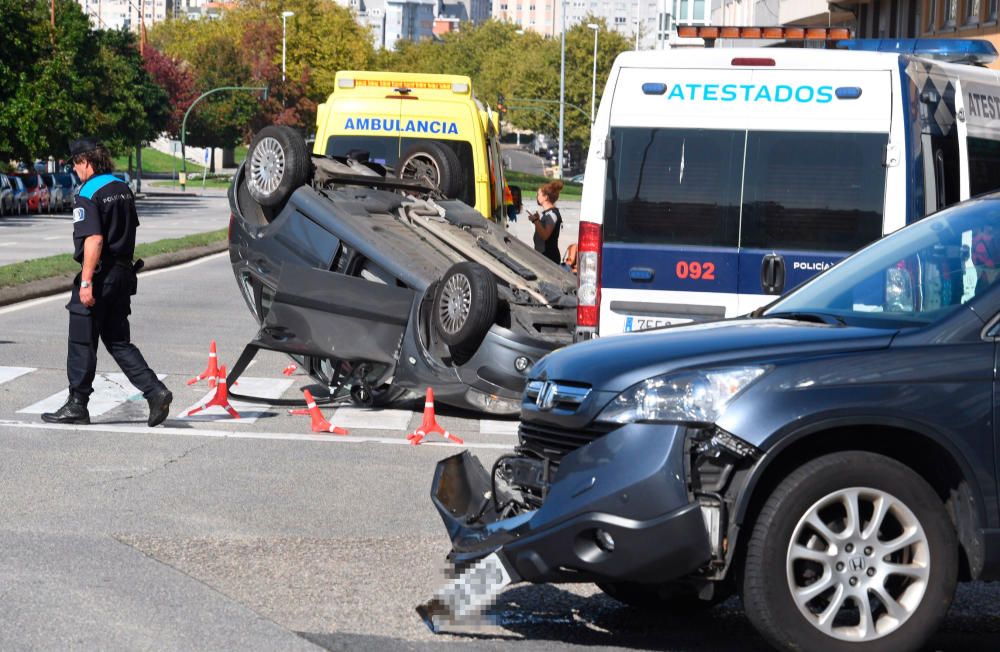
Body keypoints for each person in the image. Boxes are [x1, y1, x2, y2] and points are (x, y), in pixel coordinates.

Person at [42, 137, 172, 426]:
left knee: (81, 340)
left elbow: (94, 238)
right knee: (118, 340)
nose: (75, 171)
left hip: (101, 275)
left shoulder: (88, 192)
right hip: (124, 273)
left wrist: (86, 281)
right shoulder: (122, 188)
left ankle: (77, 404)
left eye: (76, 165)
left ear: (85, 161)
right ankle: (155, 392)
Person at [527, 180, 563, 264]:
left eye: (538, 194)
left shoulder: (552, 214)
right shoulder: (548, 214)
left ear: (546, 197)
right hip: (543, 256)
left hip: (549, 258)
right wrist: (538, 221)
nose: (537, 196)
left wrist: (536, 221)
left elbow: (545, 235)